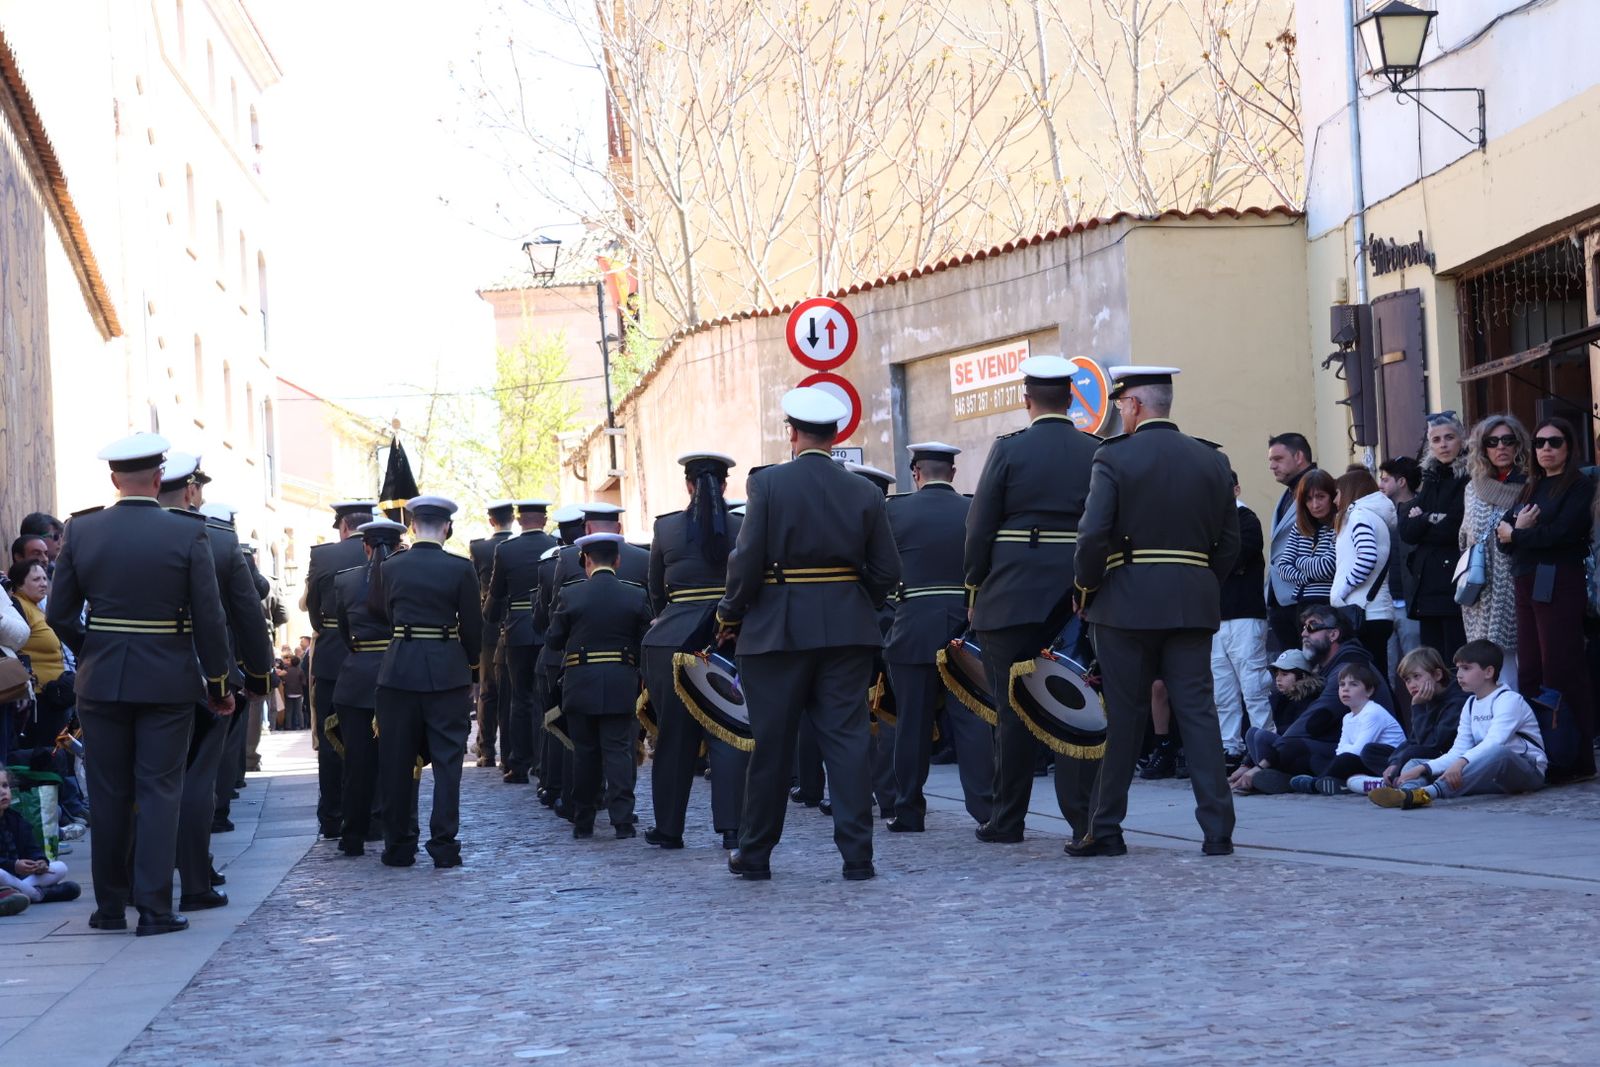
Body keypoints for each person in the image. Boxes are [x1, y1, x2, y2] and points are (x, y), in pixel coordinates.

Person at [46, 432, 233, 936]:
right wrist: (218, 684)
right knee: (159, 790)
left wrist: (93, 651)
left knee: (107, 792)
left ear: (114, 480)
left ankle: (108, 908)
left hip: (101, 680)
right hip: (168, 680)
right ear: (158, 479)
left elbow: (60, 614)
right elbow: (210, 620)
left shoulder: (82, 532)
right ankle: (153, 908)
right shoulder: (188, 533)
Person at [718, 387, 901, 881]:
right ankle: (858, 856)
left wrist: (729, 613)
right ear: (838, 434)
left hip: (776, 632)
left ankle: (755, 854)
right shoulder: (864, 491)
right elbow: (887, 570)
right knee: (847, 742)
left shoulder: (769, 485)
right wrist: (855, 598)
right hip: (847, 631)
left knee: (772, 747)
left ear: (792, 434)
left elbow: (746, 559)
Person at [1072, 365, 1240, 857]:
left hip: (1124, 603)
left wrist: (1086, 586)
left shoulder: (1113, 458)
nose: (1121, 412)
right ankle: (1218, 831)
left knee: (1124, 717)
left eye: (1122, 404)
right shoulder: (1211, 459)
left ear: (1135, 405)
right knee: (1199, 714)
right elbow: (1228, 544)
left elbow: (1092, 535)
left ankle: (1106, 829)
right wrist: (1199, 581)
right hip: (1192, 600)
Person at [963, 355, 1100, 845]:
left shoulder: (1009, 449)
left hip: (1012, 596)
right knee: (1072, 706)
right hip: (1077, 599)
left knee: (1011, 711)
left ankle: (1007, 820)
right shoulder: (1096, 449)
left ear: (1027, 402)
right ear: (1071, 399)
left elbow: (978, 528)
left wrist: (975, 586)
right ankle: (1083, 821)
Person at [156, 456, 272, 912]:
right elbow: (248, 615)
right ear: (189, 492)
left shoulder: (95, 532)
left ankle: (128, 886)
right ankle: (196, 877)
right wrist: (258, 677)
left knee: (136, 785)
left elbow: (68, 615)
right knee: (196, 782)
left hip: (122, 681)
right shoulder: (219, 541)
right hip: (206, 680)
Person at [884, 442, 993, 831]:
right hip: (965, 629)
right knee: (972, 721)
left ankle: (909, 810)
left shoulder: (893, 511)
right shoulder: (973, 509)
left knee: (911, 724)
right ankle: (985, 810)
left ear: (916, 473)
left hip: (912, 626)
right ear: (952, 473)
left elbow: (879, 568)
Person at [642, 452, 748, 850]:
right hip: (728, 638)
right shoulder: (742, 526)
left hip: (671, 639)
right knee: (730, 731)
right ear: (724, 486)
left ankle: (669, 829)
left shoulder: (666, 528)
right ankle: (732, 828)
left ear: (688, 485)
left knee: (674, 738)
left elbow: (655, 589)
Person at [370, 496, 482, 867]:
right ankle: (444, 845)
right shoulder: (460, 568)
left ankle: (399, 845)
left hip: (399, 669)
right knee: (449, 763)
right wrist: (469, 667)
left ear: (413, 527)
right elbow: (472, 625)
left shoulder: (390, 567)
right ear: (447, 528)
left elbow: (381, 613)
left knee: (396, 760)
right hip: (447, 671)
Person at [1496, 416, 1596, 779]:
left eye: (1554, 442)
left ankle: (1576, 758)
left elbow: (1563, 534)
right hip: (1525, 580)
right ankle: (1545, 753)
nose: (1546, 449)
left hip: (1559, 580)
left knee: (1562, 668)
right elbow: (1501, 536)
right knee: (1531, 672)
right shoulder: (1530, 487)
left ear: (1568, 447)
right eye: (1539, 443)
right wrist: (1515, 534)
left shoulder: (1579, 486)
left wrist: (1518, 534)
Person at [544, 532, 653, 839]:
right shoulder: (635, 595)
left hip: (581, 682)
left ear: (586, 562)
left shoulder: (570, 594)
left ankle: (583, 820)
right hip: (621, 681)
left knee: (585, 752)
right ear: (617, 561)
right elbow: (645, 640)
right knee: (619, 750)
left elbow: (553, 640)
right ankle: (623, 820)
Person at [1232, 605, 1394, 793]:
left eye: (1311, 627)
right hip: (1336, 744)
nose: (1303, 633)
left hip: (1365, 754)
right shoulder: (1330, 666)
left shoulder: (1348, 667)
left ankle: (1278, 777)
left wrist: (1261, 764)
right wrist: (1248, 763)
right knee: (1258, 735)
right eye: (1303, 627)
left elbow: (1314, 721)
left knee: (1291, 745)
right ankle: (1280, 777)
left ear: (1333, 635)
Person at [1370, 639, 1545, 808]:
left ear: (1488, 672)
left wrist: (1461, 763)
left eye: (1466, 668)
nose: (1459, 674)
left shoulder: (1509, 700)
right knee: (1415, 763)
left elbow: (1494, 742)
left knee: (1499, 753)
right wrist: (1425, 767)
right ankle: (1407, 794)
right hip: (1487, 773)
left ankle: (1429, 793)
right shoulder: (1470, 704)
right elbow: (1458, 750)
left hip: (1526, 771)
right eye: (1459, 668)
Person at [333, 518, 409, 856]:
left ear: (364, 546)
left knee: (356, 765)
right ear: (396, 546)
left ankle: (352, 836)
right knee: (396, 761)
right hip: (397, 675)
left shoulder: (345, 581)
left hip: (356, 677)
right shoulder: (406, 578)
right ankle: (394, 833)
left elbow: (342, 631)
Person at [304, 500, 377, 838]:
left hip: (334, 654)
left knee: (333, 739)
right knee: (379, 740)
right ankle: (376, 815)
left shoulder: (323, 557)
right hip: (379, 657)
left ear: (344, 526)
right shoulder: (389, 552)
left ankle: (333, 816)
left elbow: (315, 615)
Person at [483, 500, 558, 785]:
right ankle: (545, 762)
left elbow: (497, 592)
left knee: (520, 698)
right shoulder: (556, 546)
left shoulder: (506, 550)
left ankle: (519, 763)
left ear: (519, 519)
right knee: (548, 697)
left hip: (518, 630)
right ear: (545, 519)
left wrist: (490, 615)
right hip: (550, 629)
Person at [1458, 415, 1529, 686]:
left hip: (1517, 583)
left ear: (1518, 445)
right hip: (1480, 589)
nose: (1501, 447)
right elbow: (1465, 536)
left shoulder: (1530, 486)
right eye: (1493, 441)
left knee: (1519, 661)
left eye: (1508, 440)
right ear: (1483, 448)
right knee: (1486, 662)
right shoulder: (1472, 489)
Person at [1212, 469, 1271, 767]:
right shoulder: (1210, 523)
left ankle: (1264, 743)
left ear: (1236, 490)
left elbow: (1235, 557)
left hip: (1244, 617)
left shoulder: (1246, 520)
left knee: (1253, 685)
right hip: (1216, 618)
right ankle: (1230, 746)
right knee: (1222, 689)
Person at [1399, 412, 1469, 661]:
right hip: (1426, 586)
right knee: (1433, 663)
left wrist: (1422, 518)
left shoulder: (1468, 477)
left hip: (1455, 585)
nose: (1443, 444)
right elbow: (1406, 531)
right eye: (1436, 439)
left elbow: (1455, 528)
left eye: (1449, 437)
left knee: (1456, 660)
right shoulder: (1428, 477)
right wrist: (1429, 517)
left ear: (1462, 439)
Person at [1286, 662, 1404, 795]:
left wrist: (1343, 754)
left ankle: (1316, 784)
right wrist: (1342, 754)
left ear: (1369, 691)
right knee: (1317, 759)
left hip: (1384, 763)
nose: (1345, 689)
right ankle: (1338, 783)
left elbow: (1358, 751)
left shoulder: (1373, 712)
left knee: (1346, 759)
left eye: (1353, 684)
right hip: (1358, 760)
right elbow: (1340, 749)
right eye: (1342, 685)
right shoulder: (1347, 717)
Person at [1365, 646, 1465, 788]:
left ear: (1437, 675)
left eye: (1416, 676)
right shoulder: (1424, 698)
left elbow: (1432, 743)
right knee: (1370, 751)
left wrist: (1417, 707)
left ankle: (1395, 780)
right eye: (1407, 680)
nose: (1412, 684)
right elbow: (1413, 739)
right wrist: (1395, 762)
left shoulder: (1457, 700)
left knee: (1412, 753)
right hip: (1422, 751)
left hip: (1445, 755)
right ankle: (1397, 775)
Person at [1329, 468, 1397, 677]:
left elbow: (1366, 557)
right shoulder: (1372, 517)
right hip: (1373, 611)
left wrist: (1342, 590)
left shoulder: (1359, 516)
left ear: (1349, 491)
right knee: (1375, 677)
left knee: (1368, 680)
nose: (1334, 501)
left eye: (1337, 493)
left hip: (1365, 613)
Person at [469, 501, 517, 768]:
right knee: (520, 690)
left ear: (491, 521)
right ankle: (521, 748)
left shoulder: (479, 548)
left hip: (489, 625)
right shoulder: (522, 547)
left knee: (488, 690)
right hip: (521, 623)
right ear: (514, 519)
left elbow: (474, 586)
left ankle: (487, 749)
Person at [5, 560, 69, 749]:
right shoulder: (18, 606)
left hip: (53, 697)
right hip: (37, 699)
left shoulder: (37, 607)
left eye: (44, 578)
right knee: (42, 754)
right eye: (35, 579)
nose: (43, 583)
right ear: (19, 584)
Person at [1265, 433, 1318, 653]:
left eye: (1278, 459)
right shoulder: (1288, 493)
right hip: (1282, 595)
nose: (1271, 466)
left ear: (1299, 457)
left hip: (1304, 593)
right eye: (1270, 460)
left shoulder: (1317, 489)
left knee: (1311, 663)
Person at [0, 767, 79, 906]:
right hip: (4, 874)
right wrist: (14, 865)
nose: (2, 792)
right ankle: (37, 895)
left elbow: (33, 848)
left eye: (5, 785)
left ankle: (16, 892)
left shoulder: (16, 819)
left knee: (60, 868)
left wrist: (40, 862)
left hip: (18, 878)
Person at [1271, 468, 1337, 627]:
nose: (1315, 504)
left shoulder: (1339, 525)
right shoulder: (1299, 528)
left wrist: (1299, 561)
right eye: (1308, 499)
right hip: (1302, 604)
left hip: (1330, 603)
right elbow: (1283, 568)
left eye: (1321, 497)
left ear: (1332, 497)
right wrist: (1309, 577)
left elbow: (1327, 567)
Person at [1378, 455, 1423, 684]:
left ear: (1402, 482)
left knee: (1418, 669)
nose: (1380, 485)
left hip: (1412, 605)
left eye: (1385, 480)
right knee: (1384, 676)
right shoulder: (1380, 513)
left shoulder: (1421, 510)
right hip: (1385, 604)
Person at [1266, 648, 1321, 733]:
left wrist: (1276, 731)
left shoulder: (1309, 700)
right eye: (1277, 674)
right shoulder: (1279, 699)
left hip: (1297, 743)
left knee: (1261, 736)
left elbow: (1301, 730)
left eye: (1284, 674)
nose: (1278, 679)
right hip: (1282, 742)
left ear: (1302, 676)